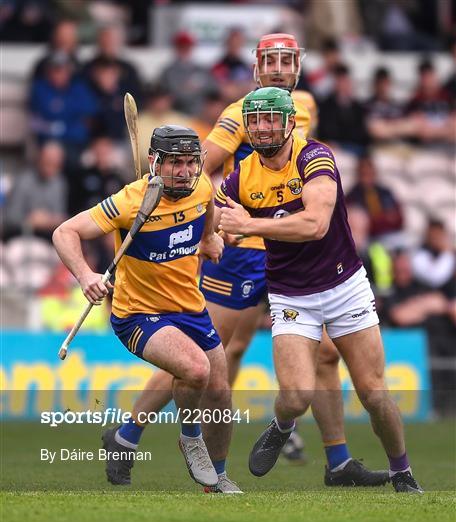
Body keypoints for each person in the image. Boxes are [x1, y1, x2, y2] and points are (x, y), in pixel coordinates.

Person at [135, 33, 388, 487]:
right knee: (213, 353)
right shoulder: (239, 113)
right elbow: (203, 165)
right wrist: (172, 199)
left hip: (294, 249)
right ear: (255, 67)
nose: (276, 68)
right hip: (244, 250)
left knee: (327, 354)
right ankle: (131, 431)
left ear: (297, 66)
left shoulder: (306, 103)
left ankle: (338, 461)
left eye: (285, 60)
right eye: (268, 60)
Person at [217, 86, 423, 494]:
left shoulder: (315, 157)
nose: (261, 128)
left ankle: (402, 471)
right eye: (254, 120)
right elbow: (213, 214)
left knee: (373, 392)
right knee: (294, 397)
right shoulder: (241, 176)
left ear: (290, 122)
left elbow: (315, 225)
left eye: (270, 119)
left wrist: (249, 225)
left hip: (344, 286)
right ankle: (282, 426)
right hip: (291, 295)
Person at [52, 125, 239, 493]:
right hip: (138, 315)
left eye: (191, 162)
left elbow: (207, 213)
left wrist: (208, 239)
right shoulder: (129, 201)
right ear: (155, 162)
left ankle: (215, 478)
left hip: (191, 308)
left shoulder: (201, 187)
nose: (185, 171)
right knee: (195, 369)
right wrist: (86, 274)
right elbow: (64, 232)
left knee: (220, 391)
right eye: (175, 163)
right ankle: (190, 438)